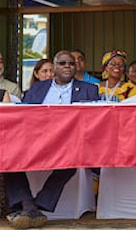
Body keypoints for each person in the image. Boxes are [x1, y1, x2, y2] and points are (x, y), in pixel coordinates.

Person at [4, 50, 98, 229]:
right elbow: (25, 115)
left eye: (71, 63)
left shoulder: (89, 89)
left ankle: (32, 206)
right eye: (62, 63)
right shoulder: (38, 88)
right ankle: (29, 204)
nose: (67, 66)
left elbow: (93, 121)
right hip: (36, 139)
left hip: (71, 141)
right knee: (8, 155)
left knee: (74, 156)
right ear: (54, 67)